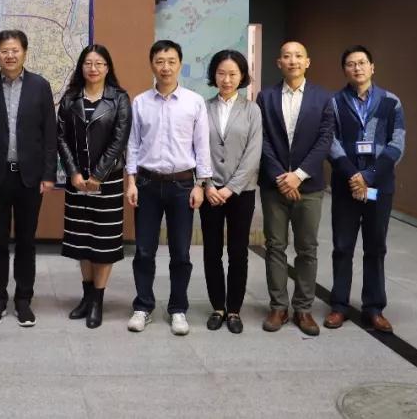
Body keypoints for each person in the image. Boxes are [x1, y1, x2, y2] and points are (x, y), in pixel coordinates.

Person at [0, 30, 57, 328]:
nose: (10, 55)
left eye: (15, 50)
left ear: (25, 52)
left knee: (26, 241)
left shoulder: (40, 86)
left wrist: (48, 174)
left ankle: (23, 300)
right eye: (4, 51)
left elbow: (49, 134)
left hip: (30, 177)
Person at [125, 40, 209, 336]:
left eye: (171, 61)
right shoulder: (140, 102)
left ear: (180, 64)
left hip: (183, 185)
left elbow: (202, 145)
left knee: (181, 252)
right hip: (147, 183)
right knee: (143, 251)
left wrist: (200, 184)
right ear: (152, 64)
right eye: (160, 61)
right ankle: (143, 306)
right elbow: (133, 144)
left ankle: (178, 309)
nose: (166, 67)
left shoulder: (194, 102)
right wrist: (131, 181)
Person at [325, 45, 406, 333]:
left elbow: (397, 143)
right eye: (351, 64)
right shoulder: (334, 102)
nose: (357, 68)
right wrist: (353, 175)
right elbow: (330, 142)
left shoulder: (391, 102)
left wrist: (369, 176)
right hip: (346, 187)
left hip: (379, 188)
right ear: (344, 70)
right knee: (342, 247)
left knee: (376, 247)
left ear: (372, 67)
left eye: (362, 62)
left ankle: (374, 308)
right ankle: (339, 306)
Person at [256, 40, 334, 336]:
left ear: (307, 62)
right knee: (275, 246)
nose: (293, 61)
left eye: (298, 56)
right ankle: (278, 306)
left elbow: (325, 139)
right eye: (287, 56)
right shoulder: (266, 97)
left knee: (307, 248)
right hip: (274, 186)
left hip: (309, 186)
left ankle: (303, 308)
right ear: (279, 63)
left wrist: (298, 175)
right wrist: (281, 175)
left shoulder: (323, 98)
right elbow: (261, 138)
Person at [57, 44, 131, 329]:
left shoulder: (119, 99)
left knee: (103, 241)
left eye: (99, 63)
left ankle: (98, 300)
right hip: (77, 182)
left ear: (107, 68)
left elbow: (119, 140)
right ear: (81, 67)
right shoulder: (70, 98)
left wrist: (98, 175)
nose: (93, 68)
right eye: (88, 63)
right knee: (82, 239)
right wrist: (74, 173)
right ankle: (86, 297)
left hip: (108, 181)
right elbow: (61, 137)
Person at [199, 49, 262, 335]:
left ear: (242, 76)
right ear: (214, 75)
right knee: (211, 251)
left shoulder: (252, 110)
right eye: (221, 73)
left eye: (233, 74)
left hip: (241, 193)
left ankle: (234, 309)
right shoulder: (203, 107)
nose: (226, 79)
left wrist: (231, 189)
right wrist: (208, 185)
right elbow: (196, 148)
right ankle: (217, 307)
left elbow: (253, 154)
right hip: (210, 191)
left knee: (238, 252)